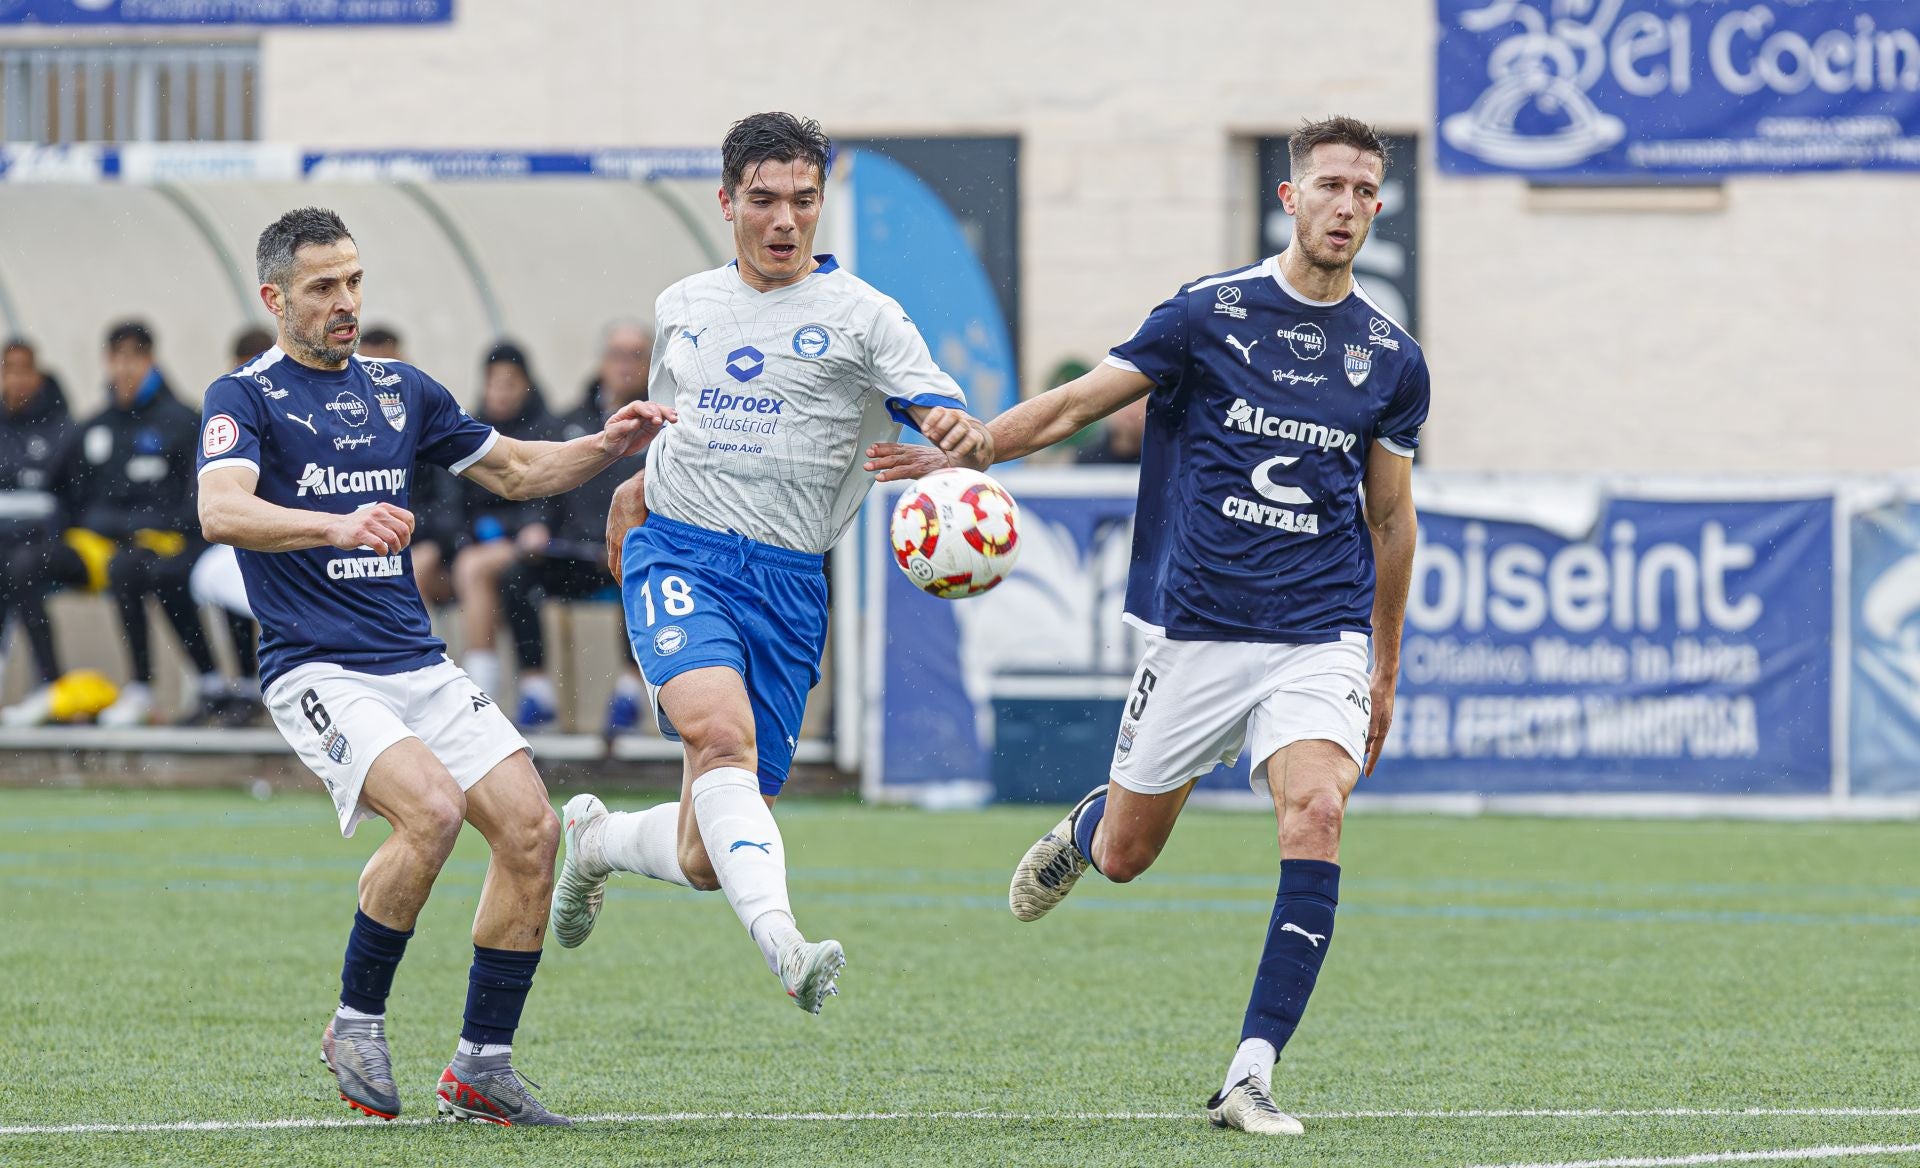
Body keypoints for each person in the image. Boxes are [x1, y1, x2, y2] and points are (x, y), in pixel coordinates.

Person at [866, 116, 1427, 1136]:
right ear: (1291, 199)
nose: (1347, 205)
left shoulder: (1391, 361)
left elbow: (1391, 520)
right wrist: (976, 448)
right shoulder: (1209, 315)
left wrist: (1384, 668)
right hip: (1201, 632)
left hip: (1321, 633)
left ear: (1376, 209)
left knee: (1317, 813)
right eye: (1330, 186)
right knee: (1129, 853)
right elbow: (1085, 399)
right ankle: (1088, 826)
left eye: (1365, 192)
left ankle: (1250, 1073)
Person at [196, 207, 671, 1125]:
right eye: (323, 288)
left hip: (415, 660)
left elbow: (519, 471)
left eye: (354, 282)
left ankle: (481, 1067)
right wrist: (336, 523)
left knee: (532, 831)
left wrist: (606, 447)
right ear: (275, 298)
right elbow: (222, 511)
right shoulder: (242, 397)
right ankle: (355, 1022)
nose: (345, 303)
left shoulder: (399, 389)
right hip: (318, 669)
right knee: (432, 811)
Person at [546, 112, 992, 1014]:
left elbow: (943, 408)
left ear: (820, 201)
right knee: (720, 737)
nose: (785, 220)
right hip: (679, 550)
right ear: (727, 202)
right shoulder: (685, 304)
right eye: (763, 200)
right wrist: (634, 491)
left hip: (789, 582)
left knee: (703, 856)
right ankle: (786, 944)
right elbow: (674, 421)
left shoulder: (866, 317)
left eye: (803, 199)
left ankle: (593, 843)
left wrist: (952, 435)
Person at [0, 322, 225, 727]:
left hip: (163, 543)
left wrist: (135, 522)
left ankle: (143, 688)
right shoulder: (95, 426)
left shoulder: (182, 421)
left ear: (149, 360)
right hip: (102, 544)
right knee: (25, 564)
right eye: (116, 360)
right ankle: (53, 685)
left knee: (132, 567)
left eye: (133, 360)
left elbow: (192, 505)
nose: (124, 370)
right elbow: (74, 501)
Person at [497, 322, 653, 731]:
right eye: (617, 354)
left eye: (636, 354)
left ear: (652, 363)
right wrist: (534, 526)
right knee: (514, 573)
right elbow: (545, 484)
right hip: (573, 555)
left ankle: (630, 692)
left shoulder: (665, 426)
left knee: (642, 569)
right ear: (602, 362)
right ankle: (536, 690)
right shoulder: (568, 423)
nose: (625, 365)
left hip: (630, 553)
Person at [448, 342, 563, 705]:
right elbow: (451, 499)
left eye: (509, 383)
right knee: (422, 567)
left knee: (476, 568)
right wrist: (463, 537)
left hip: (529, 545)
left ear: (526, 384)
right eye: (493, 383)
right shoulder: (469, 430)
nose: (500, 392)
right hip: (475, 543)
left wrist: (533, 525)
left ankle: (481, 687)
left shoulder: (546, 430)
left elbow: (550, 492)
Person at [359, 326, 460, 608]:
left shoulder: (427, 417)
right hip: (364, 541)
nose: (376, 383)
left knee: (406, 570)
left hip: (426, 543)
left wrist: (400, 526)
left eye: (383, 369)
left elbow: (449, 510)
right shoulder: (347, 431)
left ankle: (418, 648)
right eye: (367, 370)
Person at [0, 339, 74, 689]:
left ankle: (50, 681)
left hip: (48, 543)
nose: (16, 380)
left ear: (38, 375)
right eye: (8, 370)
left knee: (21, 567)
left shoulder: (62, 427)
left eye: (23, 370)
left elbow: (68, 498)